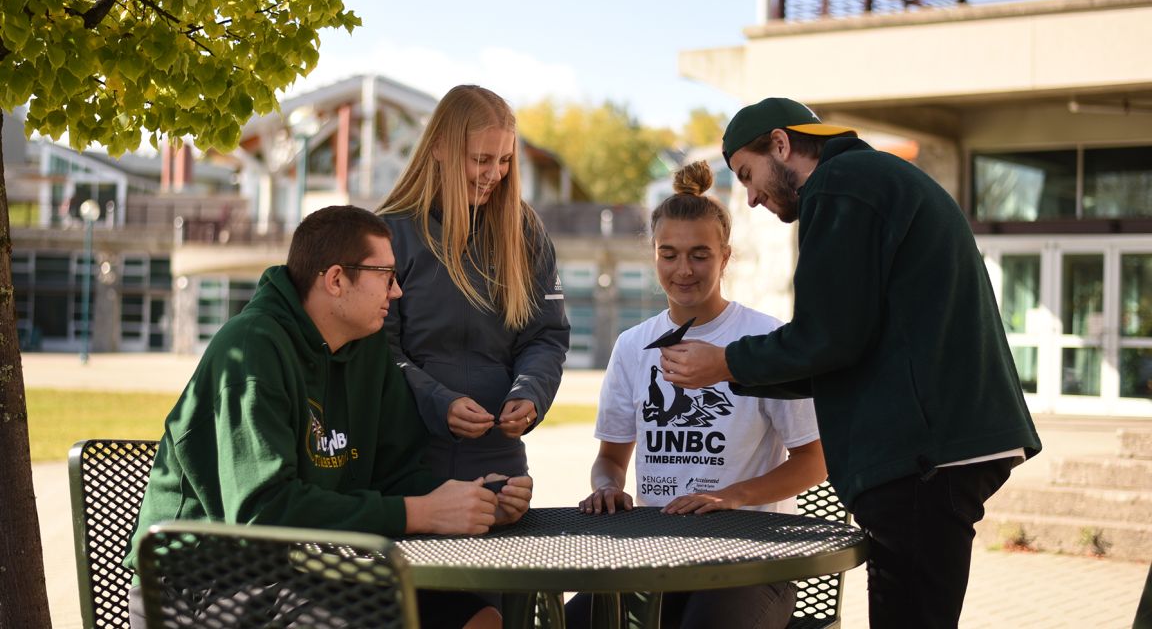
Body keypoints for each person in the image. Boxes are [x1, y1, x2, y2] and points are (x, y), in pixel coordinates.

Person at [658, 97, 1043, 629]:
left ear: (781, 144)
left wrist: (724, 363)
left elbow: (828, 337)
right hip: (939, 445)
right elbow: (850, 343)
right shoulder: (872, 177)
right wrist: (735, 368)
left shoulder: (841, 186)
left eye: (748, 175)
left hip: (922, 455)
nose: (749, 198)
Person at [123, 205, 533, 629]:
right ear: (337, 279)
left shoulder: (367, 347)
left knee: (478, 617)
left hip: (308, 569)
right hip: (205, 583)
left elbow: (395, 475)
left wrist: (474, 502)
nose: (397, 293)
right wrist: (420, 513)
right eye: (387, 277)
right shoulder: (250, 349)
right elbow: (263, 513)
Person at [566, 161, 826, 629]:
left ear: (726, 257)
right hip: (658, 558)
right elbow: (610, 458)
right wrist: (607, 488)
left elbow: (815, 460)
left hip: (753, 563)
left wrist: (731, 496)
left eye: (700, 255)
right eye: (669, 254)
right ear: (654, 255)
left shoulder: (767, 340)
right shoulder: (631, 346)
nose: (683, 270)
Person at [376, 84, 569, 482]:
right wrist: (438, 402)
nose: (494, 174)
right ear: (439, 147)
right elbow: (376, 349)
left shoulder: (524, 231)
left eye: (504, 161)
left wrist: (530, 394)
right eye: (481, 159)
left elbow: (545, 335)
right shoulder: (388, 235)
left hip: (498, 457)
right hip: (408, 457)